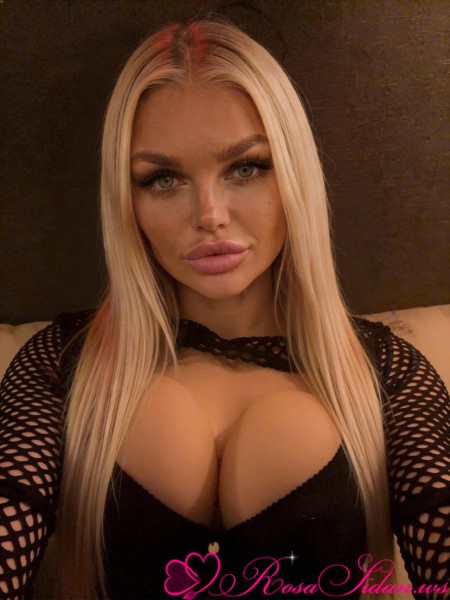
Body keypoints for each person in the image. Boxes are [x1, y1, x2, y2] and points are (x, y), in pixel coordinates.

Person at [0, 19, 449, 600]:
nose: (209, 214)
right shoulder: (64, 362)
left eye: (246, 168)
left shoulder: (386, 372)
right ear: (126, 201)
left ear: (294, 176)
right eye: (163, 179)